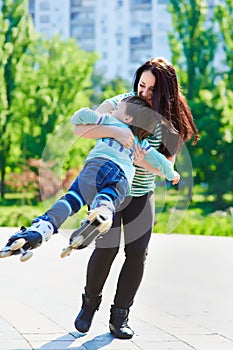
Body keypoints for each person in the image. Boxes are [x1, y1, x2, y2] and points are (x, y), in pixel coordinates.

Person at [71, 57, 199, 339]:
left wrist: (143, 163)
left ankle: (120, 316)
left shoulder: (171, 122)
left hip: (141, 191)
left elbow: (168, 168)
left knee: (137, 253)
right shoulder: (122, 102)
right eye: (142, 85)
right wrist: (115, 130)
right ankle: (89, 306)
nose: (144, 93)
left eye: (153, 90)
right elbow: (79, 128)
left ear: (166, 92)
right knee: (106, 249)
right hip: (112, 188)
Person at [0, 95, 179, 260]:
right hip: (121, 178)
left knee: (72, 199)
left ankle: (42, 228)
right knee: (108, 197)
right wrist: (172, 174)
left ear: (127, 118)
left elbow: (78, 117)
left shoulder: (109, 121)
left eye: (118, 109)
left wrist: (98, 113)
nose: (113, 110)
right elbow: (162, 162)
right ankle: (102, 213)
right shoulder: (141, 143)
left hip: (95, 167)